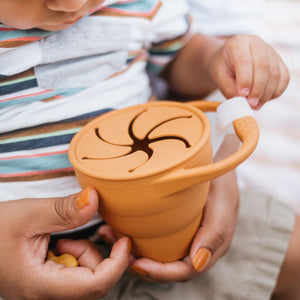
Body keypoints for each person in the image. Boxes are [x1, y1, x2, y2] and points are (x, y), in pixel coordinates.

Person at [0, 0, 297, 299]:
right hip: (36, 253)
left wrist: (215, 59)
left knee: (288, 245)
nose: (73, 3)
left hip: (169, 214)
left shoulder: (135, 5)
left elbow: (177, 57)